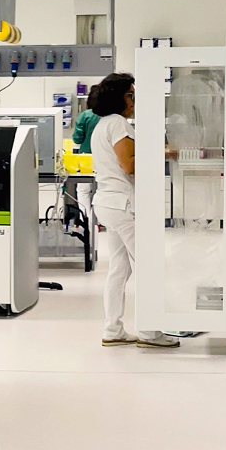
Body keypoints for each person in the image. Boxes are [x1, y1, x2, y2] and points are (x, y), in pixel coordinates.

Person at [87, 73, 175, 348]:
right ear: (118, 97)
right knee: (149, 266)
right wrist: (162, 153)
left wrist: (155, 150)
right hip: (123, 206)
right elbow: (130, 165)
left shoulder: (104, 124)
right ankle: (150, 332)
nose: (134, 100)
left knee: (119, 269)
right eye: (130, 95)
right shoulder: (119, 124)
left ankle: (113, 330)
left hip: (108, 204)